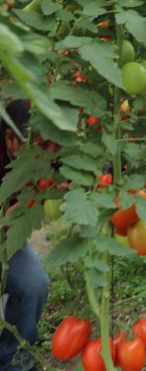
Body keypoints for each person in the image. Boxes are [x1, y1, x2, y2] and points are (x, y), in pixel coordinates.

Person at [0, 100, 52, 371]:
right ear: (11, 139)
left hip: (7, 239)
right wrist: (13, 214)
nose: (50, 154)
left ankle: (15, 360)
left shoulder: (46, 154)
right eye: (42, 146)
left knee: (34, 283)